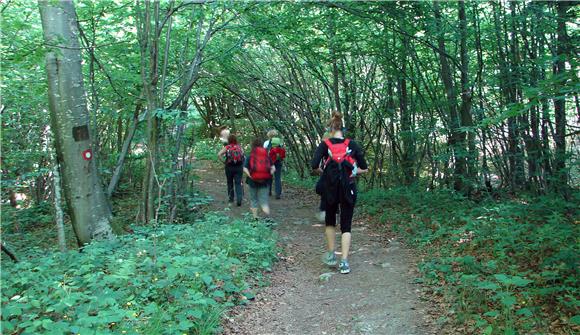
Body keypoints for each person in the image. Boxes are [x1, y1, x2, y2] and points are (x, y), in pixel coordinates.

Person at [311, 112, 368, 274]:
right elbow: (365, 167)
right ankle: (344, 262)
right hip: (348, 187)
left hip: (330, 188)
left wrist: (323, 172)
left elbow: (314, 164)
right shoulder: (352, 144)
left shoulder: (325, 144)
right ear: (343, 128)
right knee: (346, 224)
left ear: (330, 129)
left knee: (330, 221)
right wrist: (354, 171)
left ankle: (331, 255)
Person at [244, 138, 276, 219]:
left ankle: (255, 218)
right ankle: (267, 218)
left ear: (252, 145)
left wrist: (250, 175)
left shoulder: (250, 156)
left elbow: (245, 168)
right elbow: (273, 168)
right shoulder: (266, 156)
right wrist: (268, 175)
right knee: (264, 200)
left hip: (252, 181)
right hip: (265, 181)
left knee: (254, 200)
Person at [218, 134, 244, 206]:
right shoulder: (239, 147)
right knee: (238, 183)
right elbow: (243, 157)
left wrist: (224, 162)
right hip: (239, 167)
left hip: (229, 167)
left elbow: (219, 154)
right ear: (236, 140)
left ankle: (231, 199)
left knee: (230, 183)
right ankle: (239, 199)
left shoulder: (227, 147)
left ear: (229, 140)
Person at [264, 130, 285, 199]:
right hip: (278, 162)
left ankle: (268, 191)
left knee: (269, 176)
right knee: (277, 177)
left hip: (269, 162)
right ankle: (278, 193)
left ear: (269, 135)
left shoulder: (266, 143)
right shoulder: (280, 143)